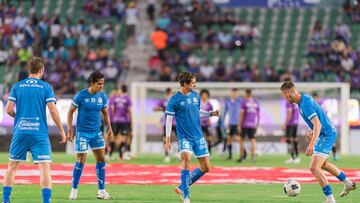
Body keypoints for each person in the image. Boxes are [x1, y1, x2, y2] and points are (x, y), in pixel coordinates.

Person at [2, 57, 67, 203]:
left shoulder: (17, 86)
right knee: (44, 168)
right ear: (42, 70)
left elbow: (9, 110)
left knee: (12, 167)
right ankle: (46, 201)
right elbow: (53, 110)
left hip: (20, 132)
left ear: (29, 69)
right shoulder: (46, 87)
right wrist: (62, 130)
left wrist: (19, 118)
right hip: (39, 133)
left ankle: (6, 200)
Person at [281, 81, 356, 203]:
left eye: (284, 95)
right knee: (324, 165)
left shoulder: (304, 104)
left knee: (314, 167)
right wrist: (311, 130)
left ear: (288, 94)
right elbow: (318, 117)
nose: (284, 98)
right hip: (326, 133)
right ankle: (348, 183)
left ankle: (330, 200)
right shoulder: (304, 100)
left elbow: (318, 124)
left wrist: (311, 144)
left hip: (326, 134)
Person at [165, 72, 219, 203]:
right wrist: (167, 138)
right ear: (185, 83)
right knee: (186, 160)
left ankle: (182, 187)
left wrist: (211, 113)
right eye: (193, 82)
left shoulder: (196, 96)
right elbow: (169, 119)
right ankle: (186, 197)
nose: (195, 84)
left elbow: (198, 111)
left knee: (206, 167)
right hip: (184, 137)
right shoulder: (174, 100)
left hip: (198, 136)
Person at [67, 71, 114, 200]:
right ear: (92, 83)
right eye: (99, 84)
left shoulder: (102, 96)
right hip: (82, 133)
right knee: (81, 160)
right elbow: (70, 112)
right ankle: (74, 190)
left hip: (96, 133)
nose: (101, 86)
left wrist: (109, 128)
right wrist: (70, 130)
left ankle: (101, 191)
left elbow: (105, 113)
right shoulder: (81, 95)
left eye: (103, 83)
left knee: (101, 160)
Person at [108, 85, 132, 160]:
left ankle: (110, 154)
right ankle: (121, 155)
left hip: (115, 120)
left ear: (121, 90)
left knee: (113, 137)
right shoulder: (127, 98)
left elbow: (113, 109)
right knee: (123, 138)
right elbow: (129, 110)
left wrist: (115, 116)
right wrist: (130, 120)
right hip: (124, 120)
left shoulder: (116, 98)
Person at [313, 92, 338, 161]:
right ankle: (321, 154)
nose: (315, 99)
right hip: (321, 125)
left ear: (317, 98)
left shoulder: (321, 105)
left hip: (326, 125)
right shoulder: (315, 105)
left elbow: (326, 115)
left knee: (330, 141)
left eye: (315, 98)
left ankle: (334, 154)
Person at [153, 88, 176, 162]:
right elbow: (155, 108)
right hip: (171, 122)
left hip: (173, 122)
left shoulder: (173, 101)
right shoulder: (167, 101)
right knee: (167, 139)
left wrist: (161, 108)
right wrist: (161, 109)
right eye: (171, 93)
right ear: (169, 93)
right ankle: (168, 155)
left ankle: (172, 154)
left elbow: (155, 108)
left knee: (172, 139)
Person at [237, 89, 259, 162]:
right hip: (253, 124)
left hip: (245, 124)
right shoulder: (256, 102)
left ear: (246, 94)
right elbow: (258, 115)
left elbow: (241, 115)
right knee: (252, 140)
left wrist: (239, 125)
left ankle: (242, 157)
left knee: (241, 140)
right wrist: (257, 124)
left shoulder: (244, 102)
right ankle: (253, 157)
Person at [222, 88, 242, 160]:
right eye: (233, 93)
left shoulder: (240, 101)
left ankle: (243, 153)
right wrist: (223, 120)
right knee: (229, 139)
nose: (234, 94)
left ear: (237, 93)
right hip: (230, 123)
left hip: (238, 123)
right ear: (231, 93)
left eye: (235, 93)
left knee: (239, 138)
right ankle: (230, 155)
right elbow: (225, 112)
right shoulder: (228, 102)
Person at [199, 89, 214, 153]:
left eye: (206, 95)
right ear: (201, 95)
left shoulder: (209, 105)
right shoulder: (198, 103)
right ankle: (198, 152)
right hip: (199, 124)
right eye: (203, 95)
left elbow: (210, 114)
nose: (204, 96)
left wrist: (209, 121)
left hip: (206, 124)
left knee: (209, 138)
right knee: (199, 138)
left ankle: (209, 152)